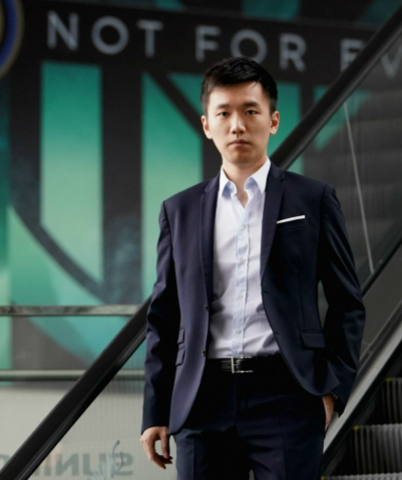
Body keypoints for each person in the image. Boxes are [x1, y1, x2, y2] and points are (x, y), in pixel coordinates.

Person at [140, 57, 365, 479]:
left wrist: (332, 388)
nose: (237, 126)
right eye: (224, 113)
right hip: (202, 398)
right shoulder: (179, 210)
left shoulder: (313, 200)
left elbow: (347, 303)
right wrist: (155, 408)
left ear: (273, 121)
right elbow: (164, 316)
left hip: (287, 392)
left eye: (250, 111)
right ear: (207, 125)